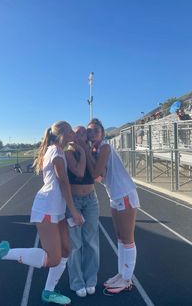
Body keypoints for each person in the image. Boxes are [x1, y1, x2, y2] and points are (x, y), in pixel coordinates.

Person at [0, 121, 84, 305]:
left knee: (66, 249)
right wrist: (73, 211)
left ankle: (48, 292)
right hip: (47, 208)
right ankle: (3, 252)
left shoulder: (57, 150)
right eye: (72, 132)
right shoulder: (56, 152)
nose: (75, 135)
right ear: (64, 134)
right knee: (53, 259)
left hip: (56, 208)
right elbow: (63, 183)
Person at [82, 118, 140, 294]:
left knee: (128, 238)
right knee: (120, 237)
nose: (92, 133)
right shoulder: (95, 150)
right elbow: (101, 177)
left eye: (95, 130)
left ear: (102, 133)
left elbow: (95, 173)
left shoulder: (105, 147)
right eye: (89, 130)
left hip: (125, 194)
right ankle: (121, 274)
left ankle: (127, 279)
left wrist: (85, 151)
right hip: (114, 196)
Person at [65, 126, 99, 297]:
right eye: (76, 132)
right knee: (75, 244)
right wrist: (83, 152)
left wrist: (87, 151)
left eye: (82, 132)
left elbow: (97, 173)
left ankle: (91, 279)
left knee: (92, 242)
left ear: (86, 136)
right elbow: (78, 172)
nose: (79, 135)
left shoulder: (92, 151)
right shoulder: (68, 153)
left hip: (91, 200)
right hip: (74, 201)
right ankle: (77, 282)